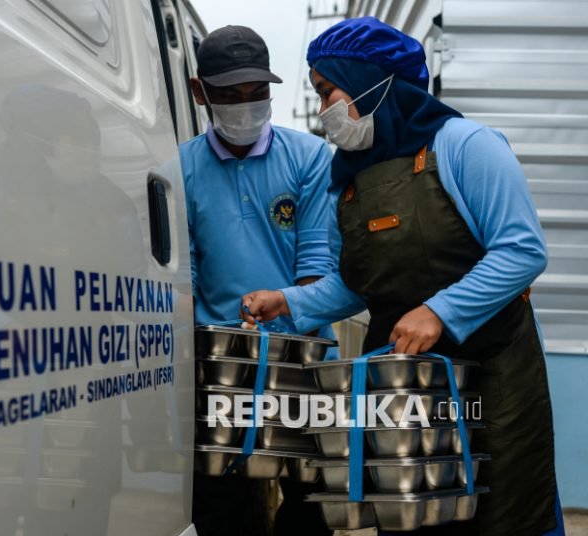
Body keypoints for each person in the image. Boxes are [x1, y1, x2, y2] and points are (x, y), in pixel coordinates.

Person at [242, 17, 565, 536]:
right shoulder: (348, 176)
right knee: (413, 513)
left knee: (506, 510)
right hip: (404, 382)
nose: (324, 109)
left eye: (328, 91)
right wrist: (287, 302)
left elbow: (522, 250)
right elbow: (361, 282)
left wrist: (440, 311)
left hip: (490, 374)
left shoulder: (466, 146)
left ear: (369, 78)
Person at [181, 25, 336, 536]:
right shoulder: (180, 169)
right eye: (229, 96)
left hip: (302, 358)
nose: (246, 108)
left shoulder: (310, 158)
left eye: (256, 95)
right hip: (219, 365)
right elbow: (187, 273)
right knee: (221, 503)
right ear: (199, 91)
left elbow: (317, 264)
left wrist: (288, 309)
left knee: (310, 506)